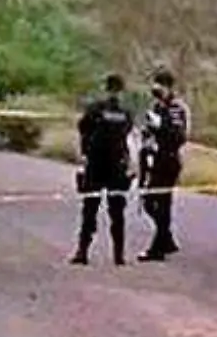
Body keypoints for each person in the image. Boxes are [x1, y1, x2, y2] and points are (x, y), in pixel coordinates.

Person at [71, 74, 136, 266]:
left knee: (90, 210)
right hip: (116, 165)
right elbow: (127, 136)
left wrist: (83, 155)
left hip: (97, 164)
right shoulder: (125, 113)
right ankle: (118, 255)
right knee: (116, 212)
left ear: (106, 88)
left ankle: (83, 252)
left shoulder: (95, 109)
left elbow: (83, 130)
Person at [137, 67, 191, 261]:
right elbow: (147, 131)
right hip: (154, 158)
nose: (156, 90)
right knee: (151, 202)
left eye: (160, 86)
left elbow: (179, 136)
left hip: (169, 159)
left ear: (168, 87)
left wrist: (161, 125)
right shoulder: (156, 107)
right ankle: (165, 239)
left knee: (159, 202)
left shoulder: (177, 108)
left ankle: (159, 246)